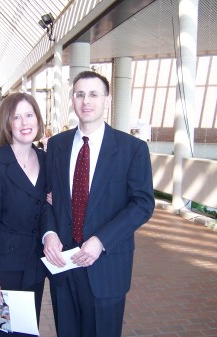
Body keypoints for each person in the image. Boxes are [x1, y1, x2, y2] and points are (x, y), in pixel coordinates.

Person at [42, 71, 155, 337]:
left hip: (106, 264)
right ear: (72, 99)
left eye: (94, 94)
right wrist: (49, 234)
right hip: (64, 265)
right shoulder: (56, 146)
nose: (86, 101)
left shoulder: (132, 149)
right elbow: (46, 199)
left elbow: (142, 204)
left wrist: (101, 240)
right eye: (80, 94)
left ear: (107, 99)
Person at [0, 92, 47, 337]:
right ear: (7, 123)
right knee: (2, 333)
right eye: (17, 117)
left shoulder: (46, 161)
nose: (25, 123)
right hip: (2, 268)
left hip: (34, 266)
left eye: (29, 115)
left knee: (26, 331)